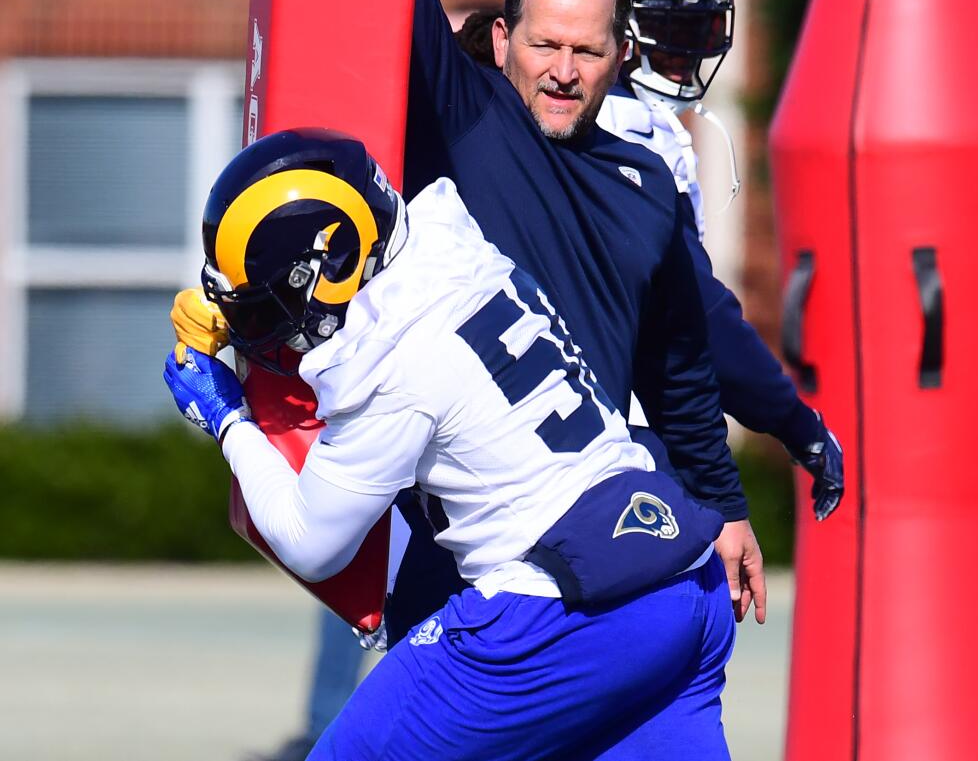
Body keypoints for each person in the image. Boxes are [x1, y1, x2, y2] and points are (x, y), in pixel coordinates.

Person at [163, 128, 734, 761]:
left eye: (267, 311)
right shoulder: (457, 254)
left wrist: (227, 417)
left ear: (334, 265)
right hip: (685, 585)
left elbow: (311, 543)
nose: (261, 334)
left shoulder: (393, 357)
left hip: (565, 608)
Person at [402, 0, 769, 629]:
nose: (564, 73)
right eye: (545, 45)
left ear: (623, 55)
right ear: (506, 40)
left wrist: (727, 510)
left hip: (600, 530)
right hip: (467, 538)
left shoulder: (649, 184)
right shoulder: (467, 117)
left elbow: (679, 378)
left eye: (588, 51)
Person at [550, 0, 845, 516]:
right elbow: (698, 315)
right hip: (586, 446)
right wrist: (793, 421)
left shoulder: (525, 120)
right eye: (666, 28)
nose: (685, 53)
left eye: (694, 28)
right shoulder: (622, 146)